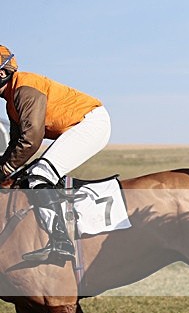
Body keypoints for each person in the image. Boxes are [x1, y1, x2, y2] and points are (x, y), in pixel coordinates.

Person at [0, 45, 111, 262]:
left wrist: (3, 169)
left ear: (1, 73)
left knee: (39, 177)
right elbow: (16, 146)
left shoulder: (24, 88)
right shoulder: (11, 101)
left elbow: (31, 140)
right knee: (28, 177)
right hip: (79, 126)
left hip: (90, 123)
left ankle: (61, 242)